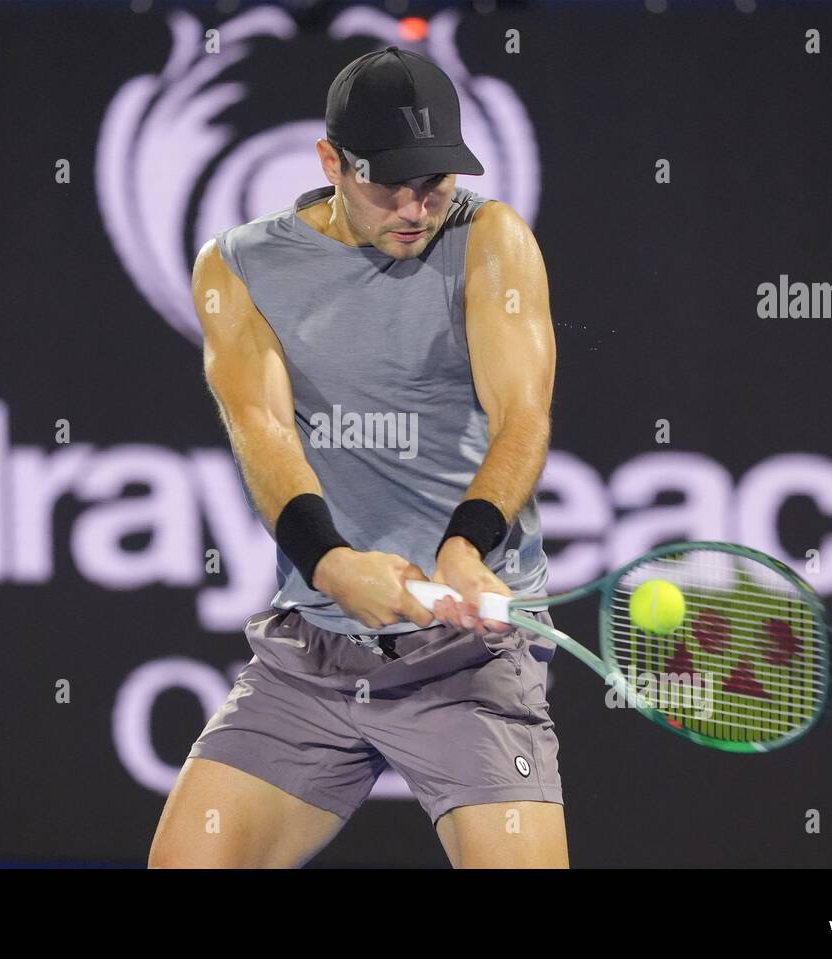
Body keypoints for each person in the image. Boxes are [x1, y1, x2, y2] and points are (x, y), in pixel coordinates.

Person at [149, 46, 564, 868]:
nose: (416, 207)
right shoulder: (237, 268)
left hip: (468, 660)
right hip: (314, 652)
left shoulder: (491, 240)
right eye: (389, 183)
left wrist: (464, 547)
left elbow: (523, 416)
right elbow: (261, 432)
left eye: (435, 181)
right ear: (330, 163)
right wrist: (334, 567)